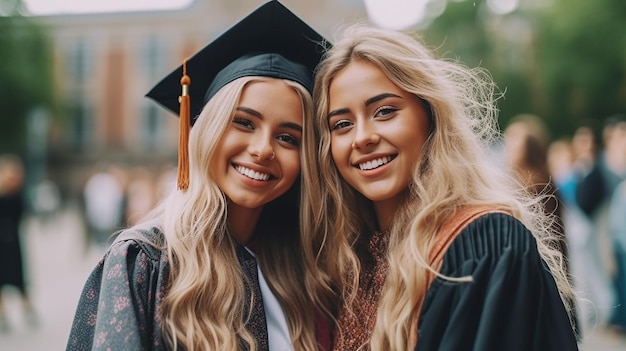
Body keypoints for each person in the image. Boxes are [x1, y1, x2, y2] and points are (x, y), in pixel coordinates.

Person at [66, 2, 329, 350]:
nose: (263, 149)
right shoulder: (146, 262)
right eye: (244, 122)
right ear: (206, 130)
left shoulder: (308, 271)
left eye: (288, 137)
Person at [303, 24, 578, 350]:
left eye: (385, 111)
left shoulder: (483, 245)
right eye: (342, 124)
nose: (362, 137)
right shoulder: (351, 261)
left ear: (430, 116)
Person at [0, 154, 38, 332]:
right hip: (2, 242)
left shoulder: (18, 196)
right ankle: (3, 315)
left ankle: (28, 310)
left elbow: (24, 214)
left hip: (14, 242)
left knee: (20, 279)